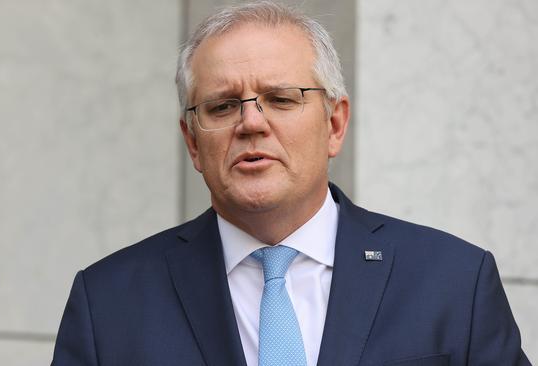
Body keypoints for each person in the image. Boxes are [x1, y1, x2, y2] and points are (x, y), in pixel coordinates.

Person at [51, 2, 530, 365]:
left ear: (335, 124)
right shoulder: (109, 304)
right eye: (221, 106)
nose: (251, 123)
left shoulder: (453, 283)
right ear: (193, 144)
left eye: (281, 99)